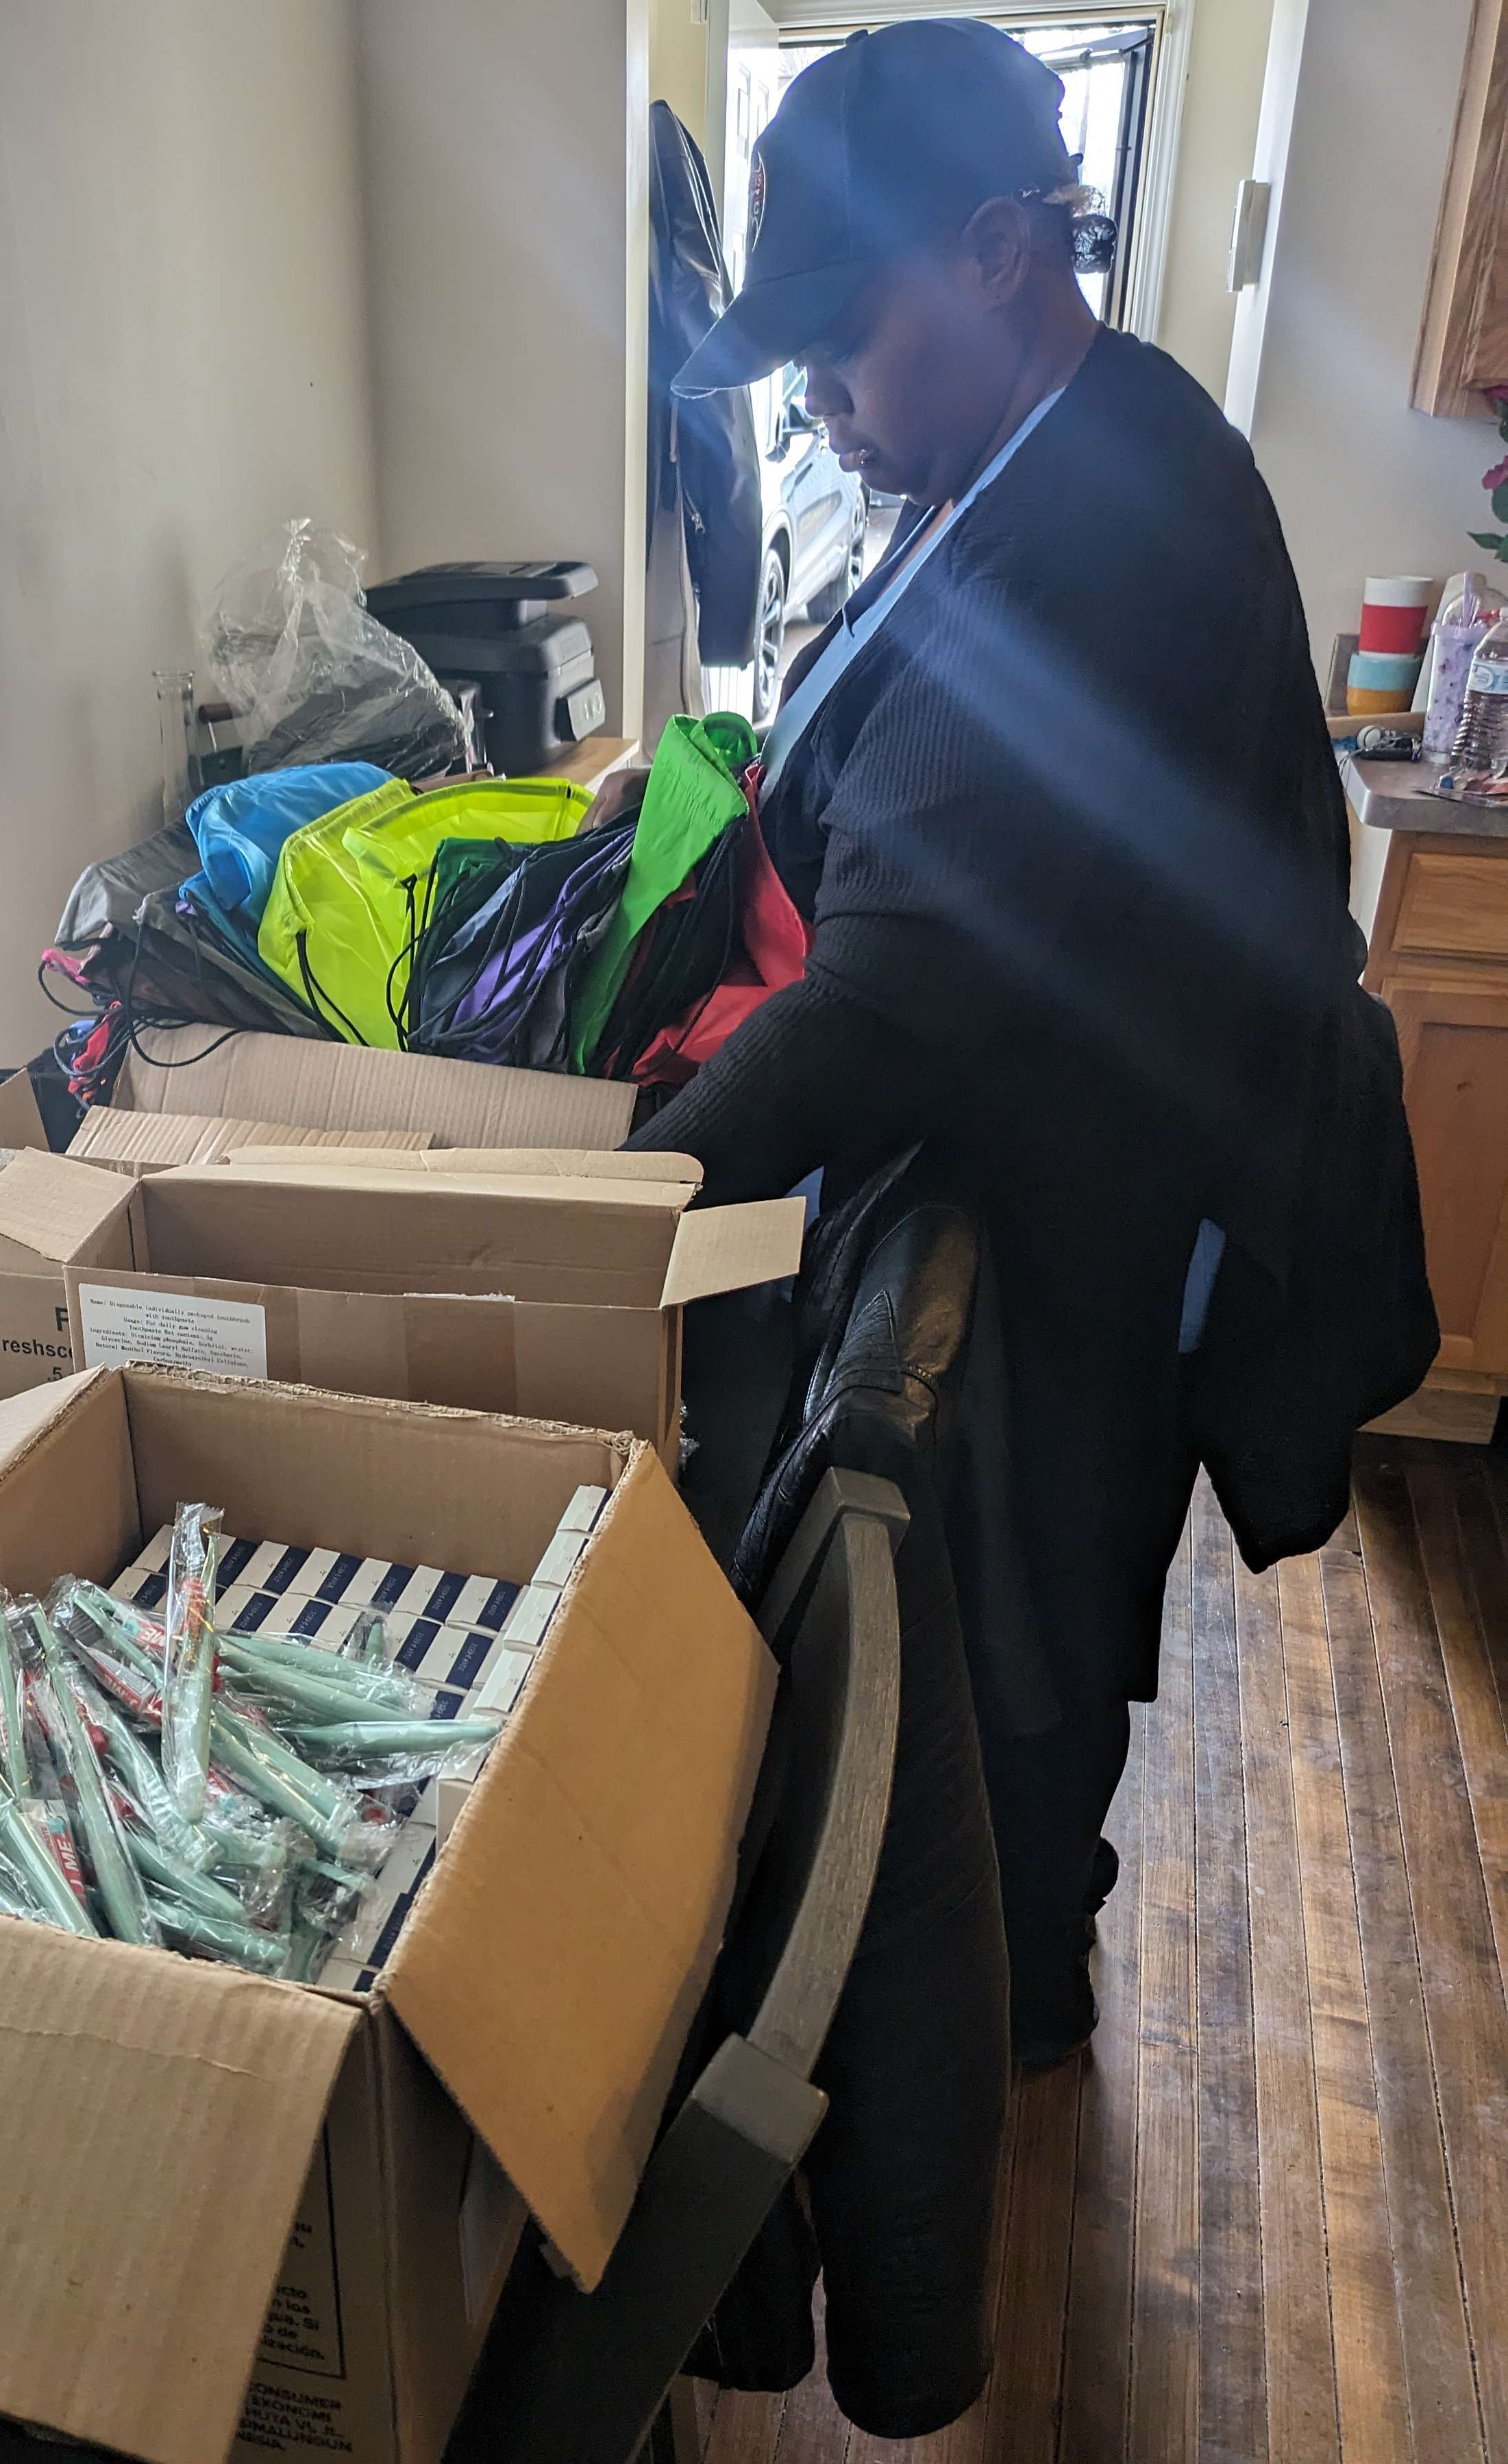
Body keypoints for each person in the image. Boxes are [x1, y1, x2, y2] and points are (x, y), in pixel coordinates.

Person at [617, 19, 1432, 2062]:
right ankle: (1008, 1936)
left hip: (1112, 1186)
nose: (820, 398)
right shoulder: (1046, 440)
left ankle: (1008, 2007)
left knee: (1035, 1595)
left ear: (995, 253)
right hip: (1056, 1131)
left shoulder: (1110, 527)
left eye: (844, 337)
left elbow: (900, 989)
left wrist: (612, 1199)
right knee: (1021, 1576)